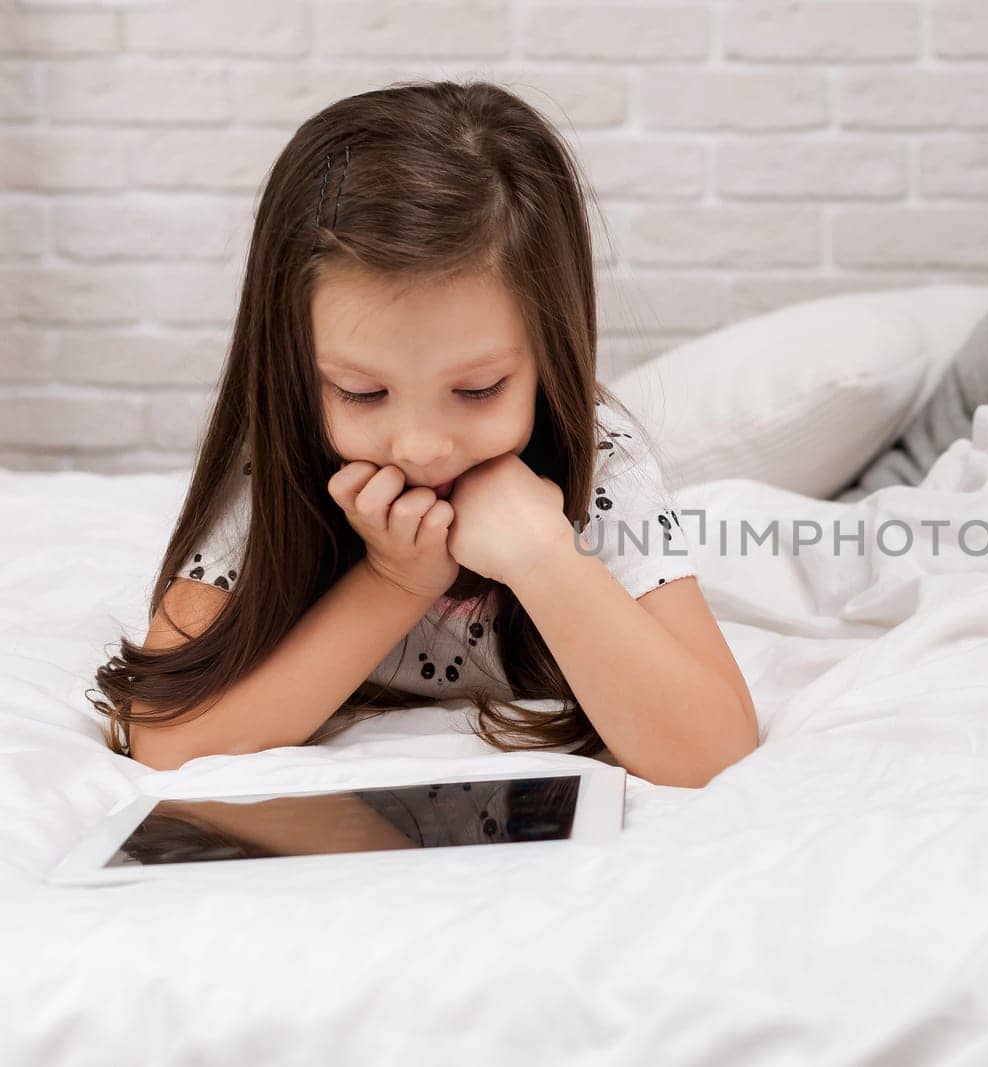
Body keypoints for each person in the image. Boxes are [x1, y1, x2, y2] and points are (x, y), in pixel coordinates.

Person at [87, 80, 758, 788]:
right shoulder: (278, 461)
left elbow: (716, 750)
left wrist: (542, 557)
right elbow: (164, 737)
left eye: (477, 390)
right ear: (297, 365)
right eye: (362, 391)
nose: (420, 445)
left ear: (549, 356)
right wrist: (393, 580)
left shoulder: (601, 458)